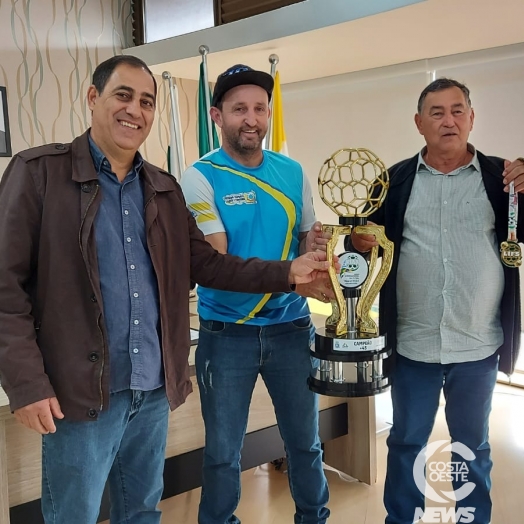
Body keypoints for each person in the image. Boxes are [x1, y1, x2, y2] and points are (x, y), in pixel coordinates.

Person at [0, 55, 333, 524]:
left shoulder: (162, 188)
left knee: (140, 513)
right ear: (94, 98)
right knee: (73, 516)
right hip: (81, 393)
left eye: (147, 101)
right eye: (123, 95)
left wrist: (288, 273)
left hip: (152, 389)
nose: (135, 110)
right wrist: (26, 383)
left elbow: (209, 264)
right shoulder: (39, 173)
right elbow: (4, 288)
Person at [350, 77, 524, 524]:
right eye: (437, 112)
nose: (449, 120)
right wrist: (357, 244)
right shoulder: (392, 181)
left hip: (477, 344)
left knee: (471, 448)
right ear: (419, 123)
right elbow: (359, 247)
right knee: (407, 442)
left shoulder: (503, 178)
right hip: (413, 345)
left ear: (471, 117)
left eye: (458, 110)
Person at [181, 64, 331, 524]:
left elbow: (307, 239)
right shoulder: (200, 176)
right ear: (217, 115)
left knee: (305, 443)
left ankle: (314, 518)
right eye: (239, 108)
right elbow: (218, 266)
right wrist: (291, 271)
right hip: (227, 335)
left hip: (291, 329)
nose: (252, 118)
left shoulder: (292, 170)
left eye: (260, 108)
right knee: (224, 453)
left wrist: (319, 251)